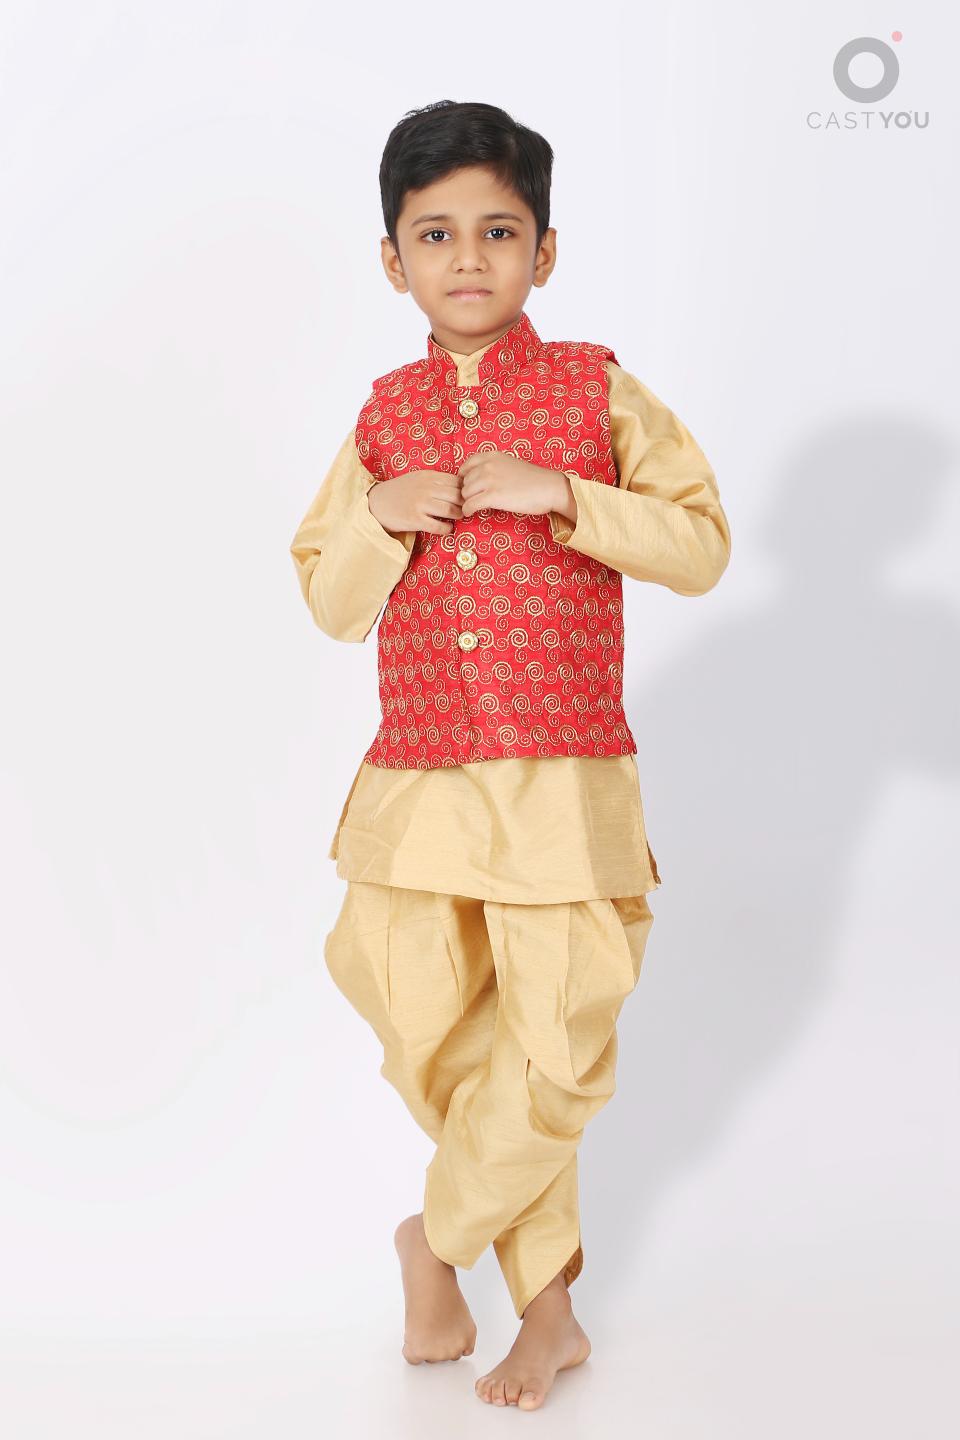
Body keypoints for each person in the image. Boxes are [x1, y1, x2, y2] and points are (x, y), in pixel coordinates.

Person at [289, 99, 731, 1411]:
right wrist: (378, 516)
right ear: (394, 261)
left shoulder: (598, 389)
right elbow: (328, 599)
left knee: (552, 1047)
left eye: (498, 230)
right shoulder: (382, 418)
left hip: (560, 783)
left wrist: (570, 498)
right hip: (419, 785)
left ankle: (439, 1241)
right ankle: (552, 1316)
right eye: (435, 233)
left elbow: (700, 545)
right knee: (431, 1028)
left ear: (545, 250)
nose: (468, 256)